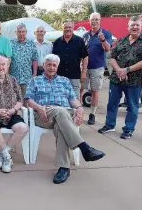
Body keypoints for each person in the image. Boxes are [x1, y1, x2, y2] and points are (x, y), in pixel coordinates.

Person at [25, 54, 105, 184]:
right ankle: (84, 148)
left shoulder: (64, 80)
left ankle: (64, 168)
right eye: (49, 64)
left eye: (54, 65)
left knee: (61, 126)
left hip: (64, 115)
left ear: (57, 67)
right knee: (60, 112)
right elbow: (29, 99)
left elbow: (72, 99)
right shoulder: (35, 80)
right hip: (43, 114)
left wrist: (79, 108)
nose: (51, 67)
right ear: (44, 65)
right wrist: (39, 108)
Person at [98, 16, 142, 139]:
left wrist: (127, 70)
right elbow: (112, 57)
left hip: (134, 81)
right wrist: (119, 70)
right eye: (132, 25)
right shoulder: (121, 40)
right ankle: (109, 125)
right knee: (112, 104)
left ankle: (128, 129)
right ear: (128, 27)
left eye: (137, 25)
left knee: (132, 106)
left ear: (141, 26)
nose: (134, 27)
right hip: (116, 79)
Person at [81, 13, 113, 125]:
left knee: (95, 91)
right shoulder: (85, 35)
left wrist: (103, 40)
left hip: (97, 67)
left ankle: (92, 114)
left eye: (96, 19)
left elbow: (108, 49)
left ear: (100, 20)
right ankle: (78, 111)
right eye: (92, 19)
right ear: (89, 21)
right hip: (84, 67)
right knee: (81, 89)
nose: (94, 21)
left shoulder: (106, 33)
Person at [52, 19, 88, 100]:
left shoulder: (79, 41)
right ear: (62, 28)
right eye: (65, 27)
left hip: (74, 76)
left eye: (69, 27)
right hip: (60, 76)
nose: (67, 29)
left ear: (73, 28)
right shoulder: (57, 42)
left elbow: (85, 57)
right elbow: (53, 60)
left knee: (75, 100)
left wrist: (84, 72)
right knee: (61, 99)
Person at [10, 23, 38, 99]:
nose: (21, 34)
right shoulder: (10, 43)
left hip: (27, 78)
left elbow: (35, 59)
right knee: (14, 100)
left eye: (23, 31)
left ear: (26, 32)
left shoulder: (31, 44)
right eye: (19, 32)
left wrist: (35, 73)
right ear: (16, 32)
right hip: (13, 78)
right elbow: (7, 59)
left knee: (27, 100)